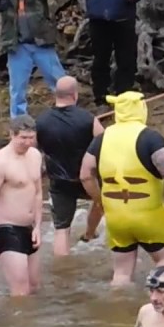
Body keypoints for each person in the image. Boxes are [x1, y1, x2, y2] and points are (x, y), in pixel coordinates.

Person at [80, 91, 164, 286]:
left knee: (121, 273)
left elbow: (84, 174)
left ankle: (117, 312)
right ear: (141, 109)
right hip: (149, 216)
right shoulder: (150, 137)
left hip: (116, 218)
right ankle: (160, 301)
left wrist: (100, 200)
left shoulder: (102, 138)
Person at [34, 76, 103, 256]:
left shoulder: (41, 121)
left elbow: (33, 152)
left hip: (59, 182)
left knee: (61, 229)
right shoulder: (88, 119)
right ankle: (89, 233)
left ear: (56, 94)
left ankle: (62, 270)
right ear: (75, 94)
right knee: (99, 201)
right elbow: (105, 144)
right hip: (89, 177)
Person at [0, 115, 45, 296]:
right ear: (12, 135)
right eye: (23, 138)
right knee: (21, 290)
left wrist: (38, 226)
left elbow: (38, 193)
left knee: (35, 286)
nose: (27, 143)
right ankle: (17, 322)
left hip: (29, 228)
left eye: (31, 138)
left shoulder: (35, 156)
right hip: (6, 228)